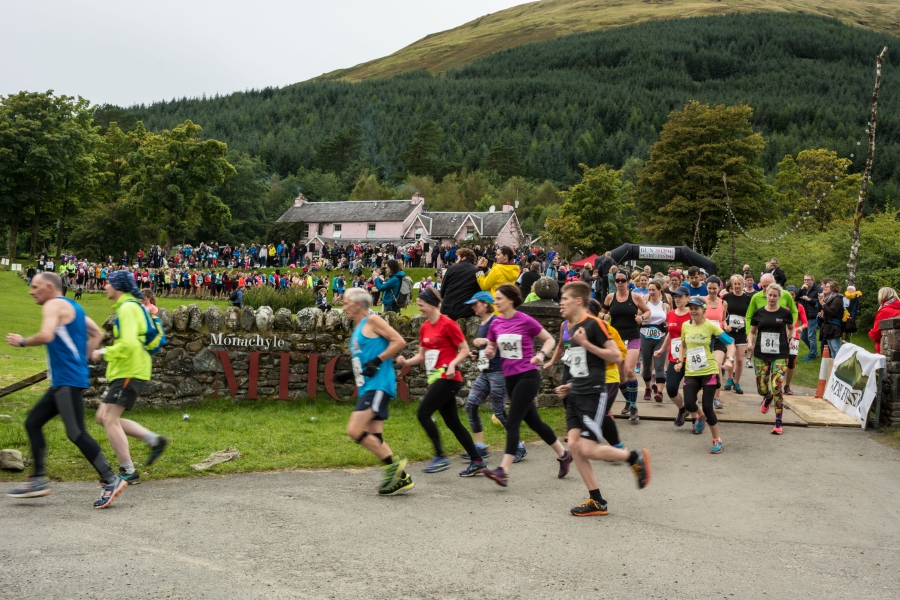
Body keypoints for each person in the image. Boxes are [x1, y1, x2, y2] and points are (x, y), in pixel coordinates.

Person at [5, 272, 127, 508]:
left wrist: (22, 341)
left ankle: (111, 478)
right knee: (33, 422)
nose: (31, 291)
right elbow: (97, 333)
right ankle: (38, 480)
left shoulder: (53, 305)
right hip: (64, 380)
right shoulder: (74, 307)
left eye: (35, 287)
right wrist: (82, 359)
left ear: (50, 287)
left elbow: (47, 334)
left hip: (67, 380)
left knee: (76, 432)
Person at [554, 282, 650, 516]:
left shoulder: (594, 325)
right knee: (575, 446)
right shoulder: (572, 326)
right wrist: (570, 384)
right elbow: (581, 362)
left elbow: (615, 354)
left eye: (564, 299)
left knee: (586, 449)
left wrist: (586, 343)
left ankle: (633, 456)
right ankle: (596, 500)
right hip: (576, 392)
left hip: (592, 394)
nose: (560, 304)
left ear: (578, 301)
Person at [481, 284, 571, 487]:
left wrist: (540, 355)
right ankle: (564, 455)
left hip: (528, 376)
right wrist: (489, 352)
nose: (495, 302)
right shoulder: (495, 324)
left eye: (499, 298)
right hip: (510, 378)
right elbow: (492, 347)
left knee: (512, 422)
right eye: (495, 298)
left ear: (511, 300)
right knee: (535, 423)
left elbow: (549, 339)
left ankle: (503, 470)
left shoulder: (524, 320)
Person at [396, 288, 487, 476]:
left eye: (421, 305)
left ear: (431, 304)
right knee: (453, 423)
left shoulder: (448, 324)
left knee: (423, 413)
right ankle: (477, 460)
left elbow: (463, 349)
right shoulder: (425, 327)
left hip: (450, 378)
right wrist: (407, 361)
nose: (419, 308)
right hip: (437, 379)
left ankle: (441, 457)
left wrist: (453, 364)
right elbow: (422, 355)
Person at [93, 271, 169, 485]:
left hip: (130, 370)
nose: (104, 287)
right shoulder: (128, 307)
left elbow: (128, 344)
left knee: (109, 419)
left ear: (117, 286)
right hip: (125, 370)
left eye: (108, 283)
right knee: (102, 417)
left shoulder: (127, 308)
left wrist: (104, 353)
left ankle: (128, 471)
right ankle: (155, 440)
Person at [340, 288, 413, 495]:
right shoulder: (358, 328)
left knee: (355, 430)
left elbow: (399, 341)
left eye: (346, 303)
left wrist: (377, 361)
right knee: (374, 436)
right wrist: (350, 374)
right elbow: (365, 360)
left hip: (379, 385)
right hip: (368, 387)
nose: (343, 307)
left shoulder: (372, 320)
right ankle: (401, 478)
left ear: (357, 305)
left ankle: (395, 467)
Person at [462, 291, 526, 462]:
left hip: (499, 371)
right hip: (485, 372)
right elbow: (488, 349)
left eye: (475, 304)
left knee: (499, 412)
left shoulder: (496, 321)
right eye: (472, 305)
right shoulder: (483, 323)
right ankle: (480, 447)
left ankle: (518, 445)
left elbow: (504, 341)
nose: (473, 307)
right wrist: (478, 353)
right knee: (471, 405)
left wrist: (483, 342)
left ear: (485, 304)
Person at [674, 297, 735, 454]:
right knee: (689, 404)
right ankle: (699, 415)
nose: (693, 311)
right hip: (691, 371)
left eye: (697, 308)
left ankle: (716, 440)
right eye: (691, 308)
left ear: (704, 310)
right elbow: (683, 345)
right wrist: (680, 361)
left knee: (708, 407)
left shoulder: (710, 326)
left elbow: (730, 342)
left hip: (709, 371)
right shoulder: (686, 326)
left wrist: (729, 359)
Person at [600, 269, 651, 421]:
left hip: (633, 337)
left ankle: (634, 405)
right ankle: (628, 401)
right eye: (618, 280)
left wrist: (642, 317)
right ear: (614, 282)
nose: (620, 283)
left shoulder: (635, 297)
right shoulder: (610, 297)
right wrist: (604, 315)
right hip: (616, 339)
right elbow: (601, 312)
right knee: (621, 377)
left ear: (628, 281)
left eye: (623, 280)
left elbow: (647, 311)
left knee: (630, 370)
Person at [748, 284, 795, 435]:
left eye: (775, 296)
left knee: (777, 386)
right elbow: (752, 332)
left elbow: (791, 327)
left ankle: (778, 421)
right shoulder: (758, 312)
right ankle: (767, 398)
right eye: (770, 295)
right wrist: (750, 342)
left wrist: (792, 337)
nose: (772, 298)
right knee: (762, 388)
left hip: (780, 353)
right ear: (766, 295)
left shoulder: (785, 313)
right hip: (761, 353)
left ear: (779, 297)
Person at [654, 287, 692, 425]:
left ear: (688, 297)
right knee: (671, 389)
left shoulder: (693, 314)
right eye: (675, 296)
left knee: (690, 392)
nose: (677, 299)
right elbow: (670, 333)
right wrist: (662, 349)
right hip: (674, 358)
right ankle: (682, 409)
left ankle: (696, 419)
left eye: (680, 296)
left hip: (691, 358)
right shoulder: (670, 314)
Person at [640, 281, 669, 402]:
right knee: (646, 366)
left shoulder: (665, 305)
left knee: (659, 365)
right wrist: (642, 318)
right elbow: (638, 318)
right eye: (649, 290)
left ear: (659, 290)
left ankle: (660, 392)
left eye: (653, 290)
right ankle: (648, 388)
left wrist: (667, 326)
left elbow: (669, 319)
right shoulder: (644, 303)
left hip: (660, 336)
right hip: (645, 335)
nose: (651, 292)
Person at [722, 275, 751, 394]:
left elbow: (751, 315)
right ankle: (729, 379)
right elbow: (722, 316)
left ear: (743, 284)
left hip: (741, 332)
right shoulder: (726, 297)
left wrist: (746, 319)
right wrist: (725, 325)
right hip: (730, 331)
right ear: (732, 285)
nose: (737, 286)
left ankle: (737, 382)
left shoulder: (747, 298)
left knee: (739, 359)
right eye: (735, 284)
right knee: (731, 357)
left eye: (739, 284)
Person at [439, 248, 482, 320]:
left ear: (463, 257)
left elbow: (442, 290)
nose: (456, 260)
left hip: (447, 309)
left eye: (458, 257)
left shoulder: (451, 268)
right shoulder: (476, 271)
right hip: (465, 311)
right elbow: (478, 293)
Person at [476, 246, 520, 311]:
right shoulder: (514, 269)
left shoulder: (497, 269)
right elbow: (496, 278)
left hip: (494, 306)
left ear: (505, 256)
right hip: (506, 306)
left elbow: (484, 285)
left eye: (498, 255)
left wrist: (479, 269)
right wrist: (485, 269)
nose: (496, 257)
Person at [783, 285, 807, 396]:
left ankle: (787, 385)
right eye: (789, 294)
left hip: (794, 337)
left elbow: (805, 323)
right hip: (781, 336)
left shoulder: (799, 307)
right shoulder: (781, 306)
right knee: (781, 361)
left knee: (791, 362)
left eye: (793, 294)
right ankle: (777, 383)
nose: (791, 296)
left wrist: (800, 328)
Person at [797, 274, 822, 361]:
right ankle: (814, 352)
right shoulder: (804, 289)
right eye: (805, 280)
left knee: (811, 336)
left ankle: (812, 355)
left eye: (808, 280)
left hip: (812, 316)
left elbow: (820, 301)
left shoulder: (818, 289)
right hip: (804, 316)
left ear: (813, 281)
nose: (806, 282)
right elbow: (795, 297)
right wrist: (801, 289)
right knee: (803, 336)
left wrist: (809, 299)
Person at [869, 288, 900, 354]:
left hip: (885, 347)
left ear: (882, 296)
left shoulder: (885, 311)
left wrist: (871, 333)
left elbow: (876, 334)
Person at [820, 280, 844, 358]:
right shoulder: (828, 298)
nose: (825, 288)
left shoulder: (837, 299)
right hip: (828, 326)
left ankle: (839, 368)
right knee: (831, 349)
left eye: (827, 287)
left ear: (833, 288)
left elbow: (832, 312)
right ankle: (833, 368)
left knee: (836, 348)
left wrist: (823, 304)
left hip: (834, 326)